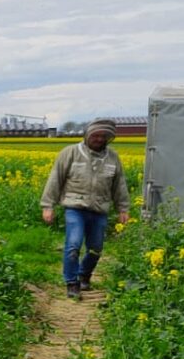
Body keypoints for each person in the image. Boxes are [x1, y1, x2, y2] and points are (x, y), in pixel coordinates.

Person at [40, 118, 131, 300]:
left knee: (96, 249)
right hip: (75, 208)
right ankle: (72, 283)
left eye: (103, 136)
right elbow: (55, 179)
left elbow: (119, 185)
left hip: (99, 209)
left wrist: (123, 209)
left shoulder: (112, 157)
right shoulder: (70, 153)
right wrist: (48, 206)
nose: (99, 139)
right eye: (95, 135)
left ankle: (84, 275)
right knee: (73, 245)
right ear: (87, 134)